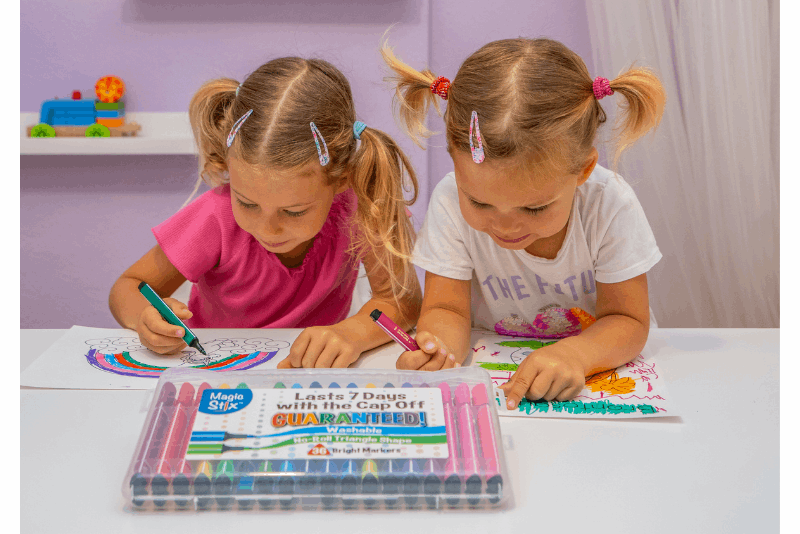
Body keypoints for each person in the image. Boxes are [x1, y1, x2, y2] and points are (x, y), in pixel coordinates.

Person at [383, 36, 665, 407]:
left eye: (533, 209)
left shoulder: (608, 203)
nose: (506, 227)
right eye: (480, 202)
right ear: (454, 159)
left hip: (600, 375)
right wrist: (437, 350)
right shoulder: (450, 199)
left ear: (583, 170)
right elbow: (447, 310)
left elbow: (628, 321)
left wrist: (577, 355)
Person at [109, 56, 421, 368]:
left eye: (294, 211)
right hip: (213, 373)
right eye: (247, 203)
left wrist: (352, 333)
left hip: (308, 378)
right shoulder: (214, 216)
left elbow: (401, 301)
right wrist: (145, 320)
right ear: (230, 168)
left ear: (340, 180)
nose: (268, 229)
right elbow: (128, 287)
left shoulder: (363, 208)